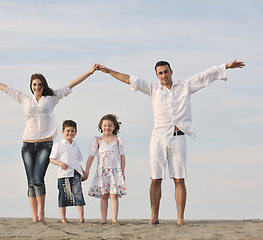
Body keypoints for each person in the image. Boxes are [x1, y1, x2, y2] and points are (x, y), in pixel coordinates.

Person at [96, 60, 245, 225]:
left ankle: (180, 218)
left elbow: (205, 76)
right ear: (157, 75)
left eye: (166, 72)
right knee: (155, 179)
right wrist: (108, 70)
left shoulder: (185, 86)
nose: (163, 75)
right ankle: (154, 216)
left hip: (178, 136)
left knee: (179, 179)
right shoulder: (153, 88)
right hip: (158, 138)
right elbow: (129, 79)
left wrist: (225, 67)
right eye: (160, 73)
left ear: (171, 72)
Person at [0, 64, 98, 223]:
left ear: (44, 85)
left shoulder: (51, 98)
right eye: (34, 85)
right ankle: (34, 217)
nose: (37, 87)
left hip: (45, 145)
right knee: (31, 182)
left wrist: (89, 72)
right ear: (31, 86)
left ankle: (42, 213)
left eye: (40, 84)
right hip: (27, 145)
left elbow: (70, 84)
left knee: (38, 179)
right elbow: (5, 88)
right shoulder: (25, 99)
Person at [82, 114, 127, 225]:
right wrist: (86, 171)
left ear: (114, 127)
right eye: (105, 125)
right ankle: (104, 219)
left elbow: (122, 157)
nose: (107, 128)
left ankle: (114, 219)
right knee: (104, 195)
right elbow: (91, 157)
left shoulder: (117, 140)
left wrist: (123, 171)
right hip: (102, 172)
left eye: (110, 125)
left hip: (115, 172)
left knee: (114, 195)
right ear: (101, 126)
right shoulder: (98, 140)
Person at [49, 120, 86, 224]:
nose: (70, 133)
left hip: (75, 173)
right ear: (63, 131)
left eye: (72, 131)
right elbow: (51, 159)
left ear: (76, 132)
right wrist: (60, 163)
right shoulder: (58, 145)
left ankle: (81, 218)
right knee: (63, 196)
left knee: (78, 194)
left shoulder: (76, 146)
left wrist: (83, 173)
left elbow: (77, 161)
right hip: (63, 175)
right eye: (68, 131)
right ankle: (64, 219)